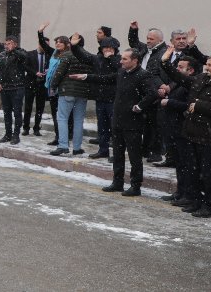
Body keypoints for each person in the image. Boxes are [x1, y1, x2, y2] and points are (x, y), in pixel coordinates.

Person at [74, 49, 157, 196]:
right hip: (118, 120)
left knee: (134, 156)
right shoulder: (121, 72)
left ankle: (135, 186)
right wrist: (86, 76)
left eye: (125, 59)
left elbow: (152, 93)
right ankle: (117, 182)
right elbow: (105, 78)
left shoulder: (143, 75)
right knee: (117, 154)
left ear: (135, 60)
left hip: (133, 123)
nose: (121, 61)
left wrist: (140, 106)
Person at [161, 48, 211, 218]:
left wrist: (199, 105)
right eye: (206, 65)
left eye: (210, 65)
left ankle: (210, 206)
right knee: (193, 170)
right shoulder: (201, 79)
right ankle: (196, 201)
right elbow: (179, 78)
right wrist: (165, 63)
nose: (207, 68)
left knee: (208, 174)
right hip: (192, 133)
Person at [70, 33, 121, 159]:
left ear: (115, 49)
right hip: (100, 98)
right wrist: (75, 46)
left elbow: (118, 72)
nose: (107, 50)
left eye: (110, 48)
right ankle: (103, 150)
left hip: (114, 99)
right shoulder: (97, 59)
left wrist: (111, 58)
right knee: (102, 126)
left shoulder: (120, 60)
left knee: (115, 128)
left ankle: (117, 153)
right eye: (105, 47)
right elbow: (83, 56)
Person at [158, 56, 198, 205]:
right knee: (179, 163)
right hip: (173, 128)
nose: (178, 69)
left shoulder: (191, 84)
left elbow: (189, 105)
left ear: (191, 70)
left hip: (184, 129)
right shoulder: (177, 82)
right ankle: (180, 192)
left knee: (187, 164)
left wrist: (170, 102)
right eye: (178, 66)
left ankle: (188, 194)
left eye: (181, 67)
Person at [128, 21, 168, 163]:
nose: (148, 41)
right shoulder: (146, 49)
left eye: (151, 39)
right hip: (143, 91)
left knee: (155, 125)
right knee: (146, 124)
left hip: (155, 92)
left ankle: (156, 151)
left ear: (160, 40)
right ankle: (145, 149)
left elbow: (158, 74)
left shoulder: (164, 53)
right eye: (147, 38)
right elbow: (134, 43)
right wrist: (133, 30)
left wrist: (160, 87)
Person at [49, 35, 92, 156]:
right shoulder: (88, 56)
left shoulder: (67, 55)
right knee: (78, 120)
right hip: (82, 92)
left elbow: (59, 72)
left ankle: (63, 146)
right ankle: (77, 148)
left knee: (62, 118)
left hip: (67, 90)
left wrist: (53, 85)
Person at [38, 23, 74, 146]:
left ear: (66, 45)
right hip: (53, 88)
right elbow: (43, 44)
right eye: (56, 42)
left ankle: (66, 136)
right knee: (55, 115)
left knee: (64, 115)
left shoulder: (70, 55)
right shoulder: (54, 53)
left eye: (60, 42)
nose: (57, 44)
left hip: (63, 88)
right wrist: (40, 32)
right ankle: (58, 136)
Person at [0, 35, 28, 144]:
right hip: (5, 87)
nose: (6, 46)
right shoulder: (2, 54)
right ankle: (8, 134)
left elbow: (24, 58)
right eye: (5, 43)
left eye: (9, 43)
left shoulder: (20, 52)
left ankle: (16, 135)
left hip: (17, 87)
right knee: (6, 112)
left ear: (15, 44)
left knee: (17, 112)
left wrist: (13, 50)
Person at [23, 37, 49, 136]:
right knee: (28, 107)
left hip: (42, 85)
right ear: (39, 43)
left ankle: (36, 128)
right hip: (30, 83)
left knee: (40, 108)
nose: (46, 47)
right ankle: (26, 127)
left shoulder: (49, 56)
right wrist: (35, 73)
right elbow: (25, 66)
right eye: (44, 44)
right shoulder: (30, 54)